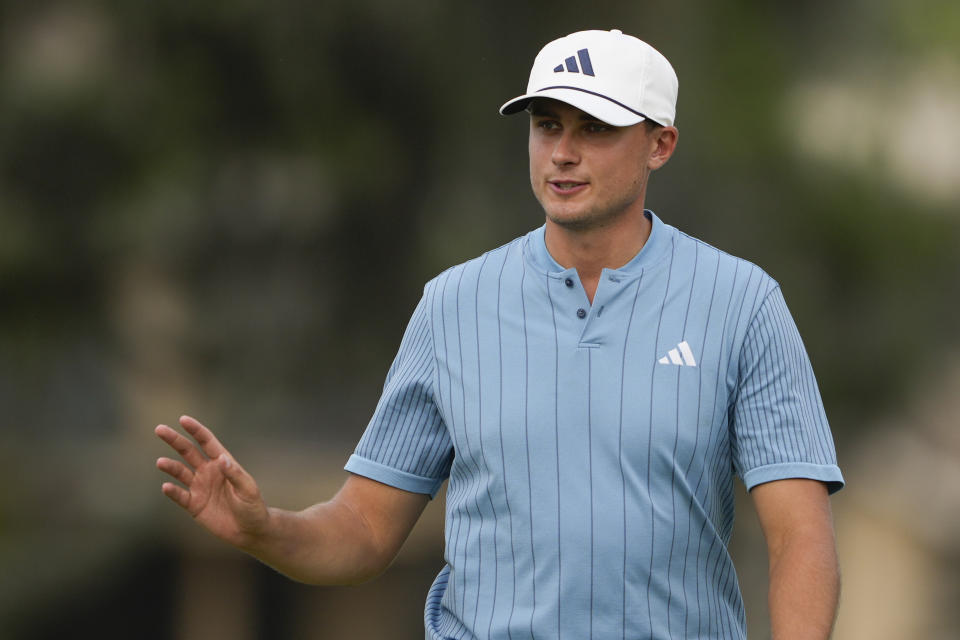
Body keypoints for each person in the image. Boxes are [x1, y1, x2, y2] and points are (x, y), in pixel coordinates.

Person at [156, 29, 844, 639]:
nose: (563, 154)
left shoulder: (741, 303)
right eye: (547, 126)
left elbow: (799, 536)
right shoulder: (453, 304)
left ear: (659, 144)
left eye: (596, 129)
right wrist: (264, 529)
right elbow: (364, 530)